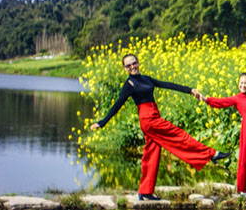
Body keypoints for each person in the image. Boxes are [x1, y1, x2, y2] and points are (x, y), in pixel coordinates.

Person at [89, 53, 230, 201]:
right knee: (178, 135)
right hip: (148, 119)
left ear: (138, 63)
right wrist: (102, 122)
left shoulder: (146, 79)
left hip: (154, 114)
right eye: (128, 65)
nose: (132, 67)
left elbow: (167, 85)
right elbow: (117, 104)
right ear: (125, 68)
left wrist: (190, 90)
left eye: (134, 63)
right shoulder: (129, 84)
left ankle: (145, 192)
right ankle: (211, 154)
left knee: (152, 153)